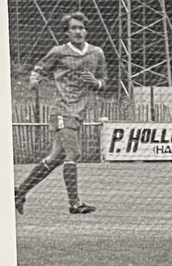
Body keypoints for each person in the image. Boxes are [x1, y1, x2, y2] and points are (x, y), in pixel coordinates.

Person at [14, 11, 107, 216]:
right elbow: (39, 67)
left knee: (56, 157)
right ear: (67, 32)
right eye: (74, 28)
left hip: (79, 111)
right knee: (74, 153)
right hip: (62, 109)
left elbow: (104, 82)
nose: (78, 31)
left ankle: (18, 193)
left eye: (81, 27)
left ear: (86, 30)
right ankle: (74, 204)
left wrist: (96, 83)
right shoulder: (59, 51)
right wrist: (34, 79)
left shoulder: (97, 53)